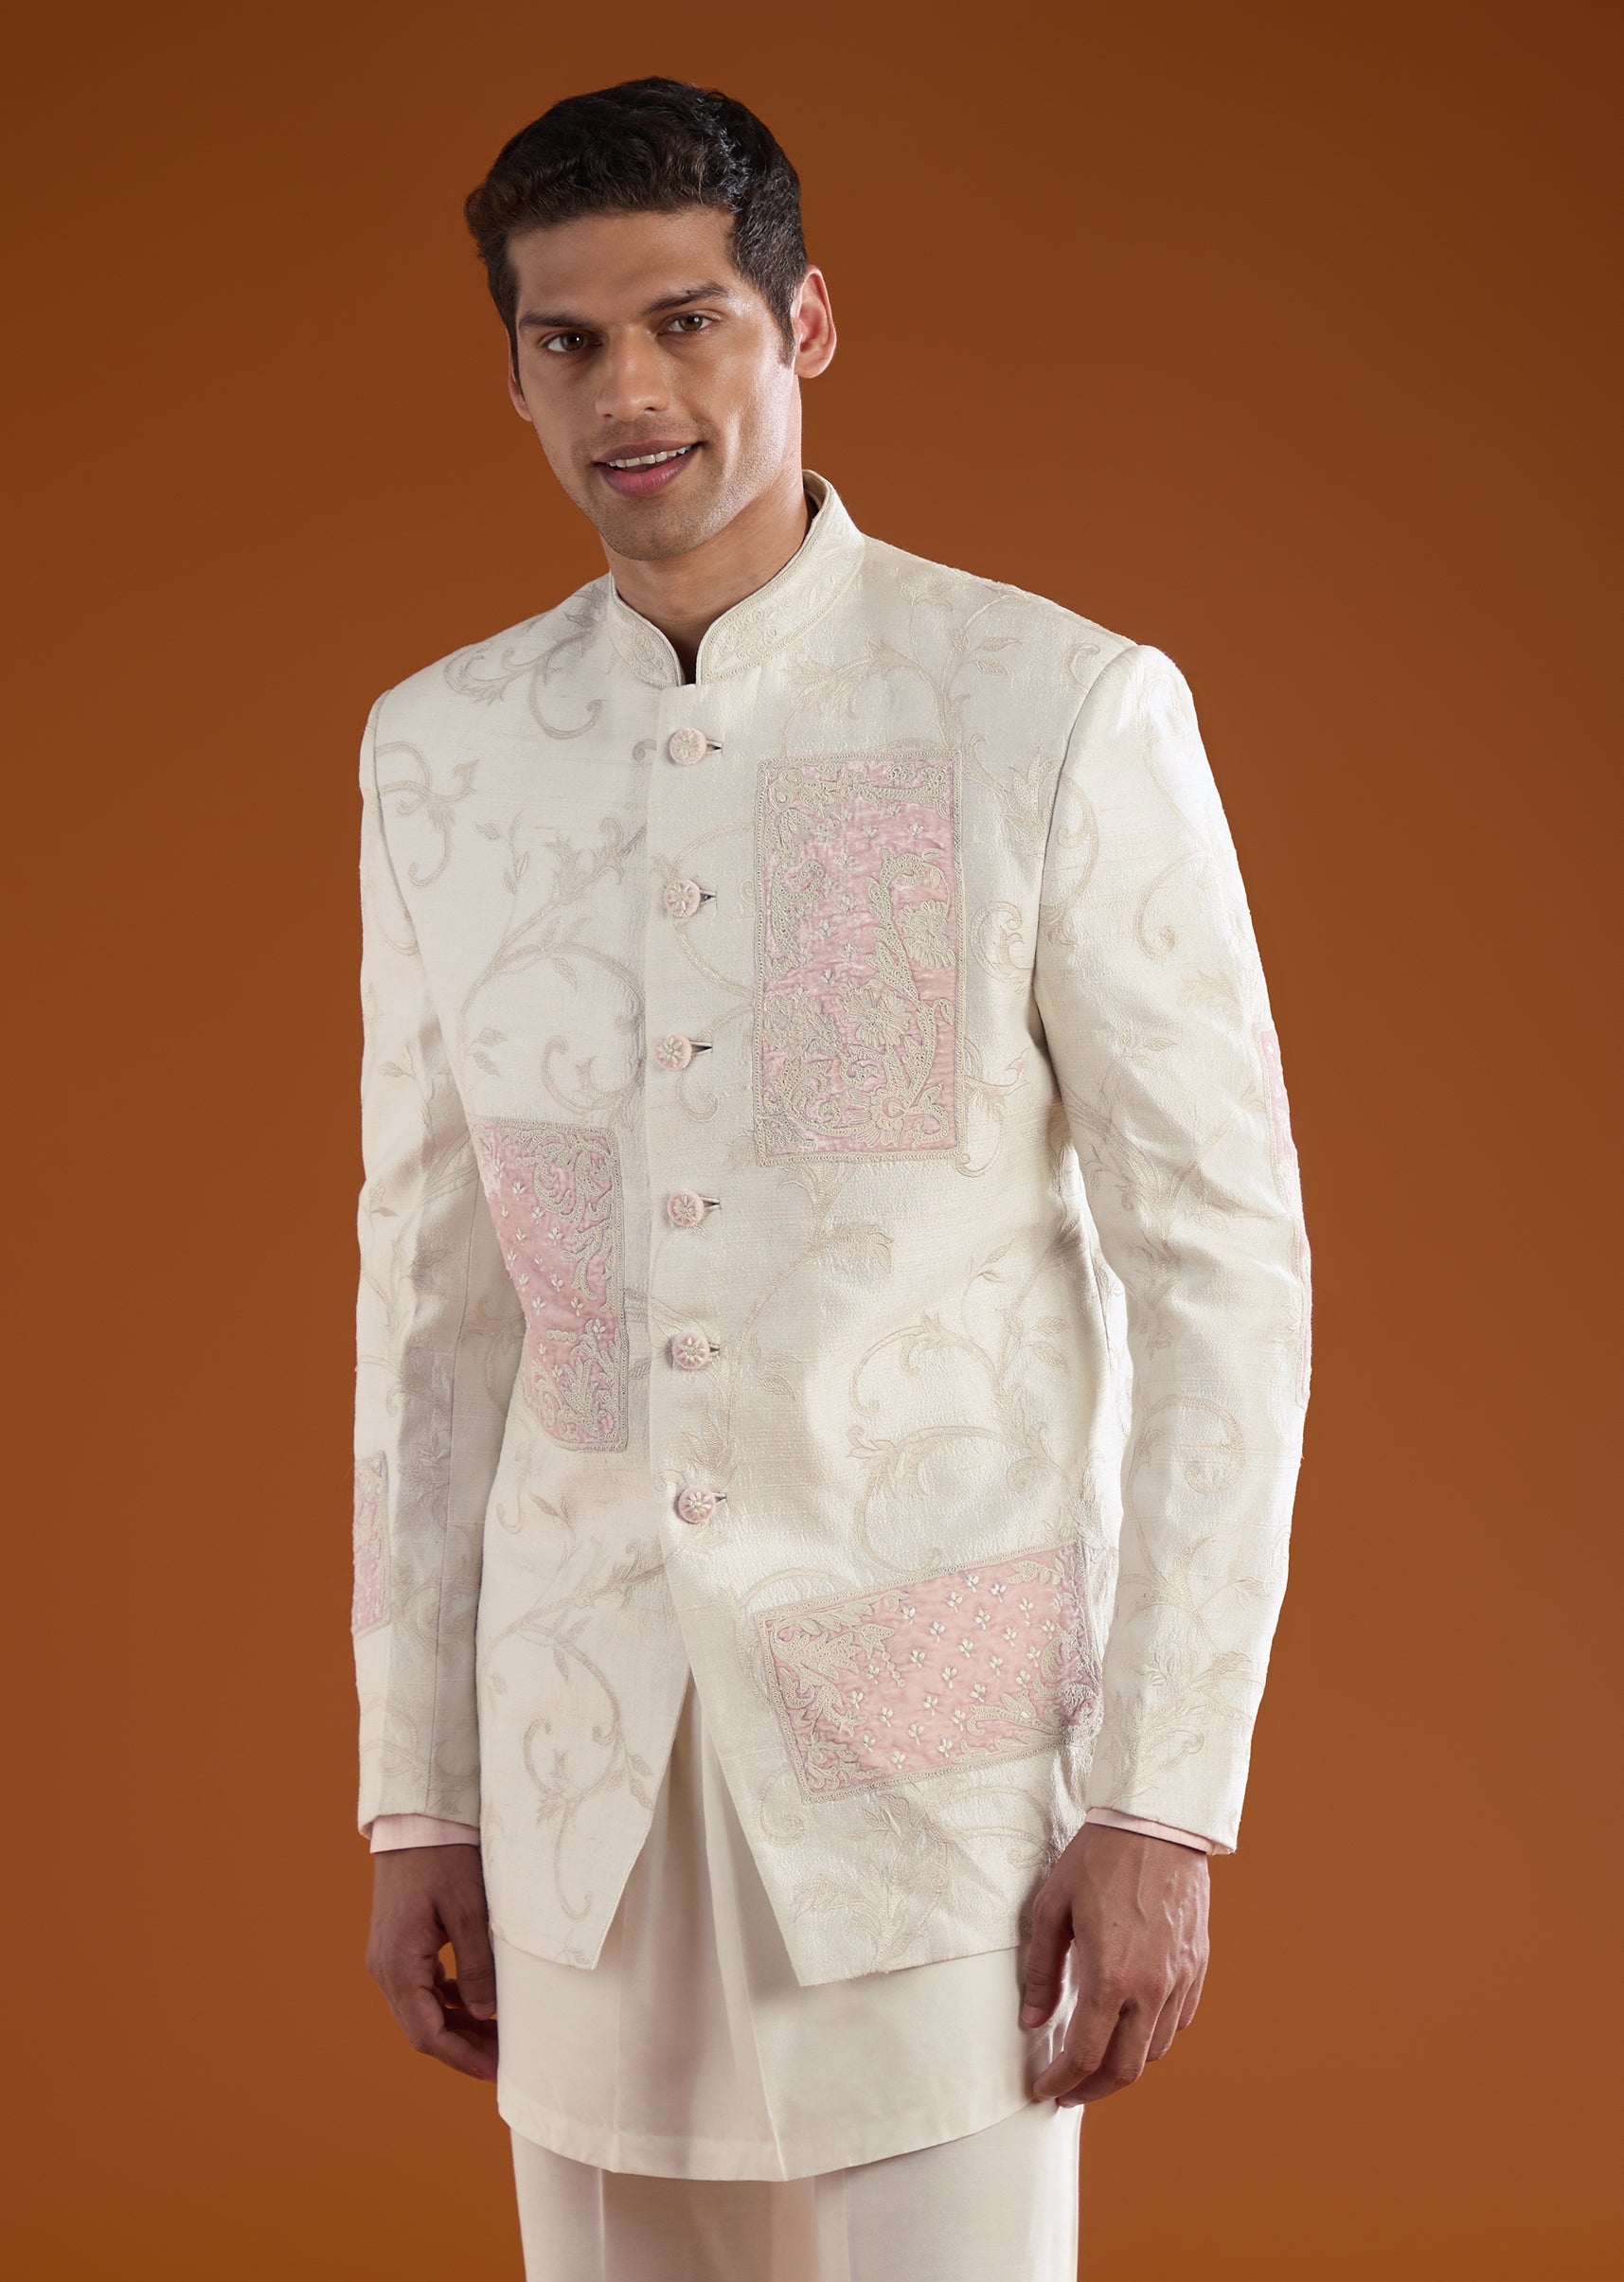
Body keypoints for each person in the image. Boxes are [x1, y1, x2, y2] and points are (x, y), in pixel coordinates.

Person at [351, 76, 1312, 2282]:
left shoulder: (1054, 707)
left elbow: (1223, 1272)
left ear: (804, 324)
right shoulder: (440, 750)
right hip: (581, 1770)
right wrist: (424, 1789)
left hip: (933, 1772)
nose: (630, 390)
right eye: (570, 340)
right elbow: (434, 1301)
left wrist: (1162, 1795)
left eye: (684, 321)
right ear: (516, 371)